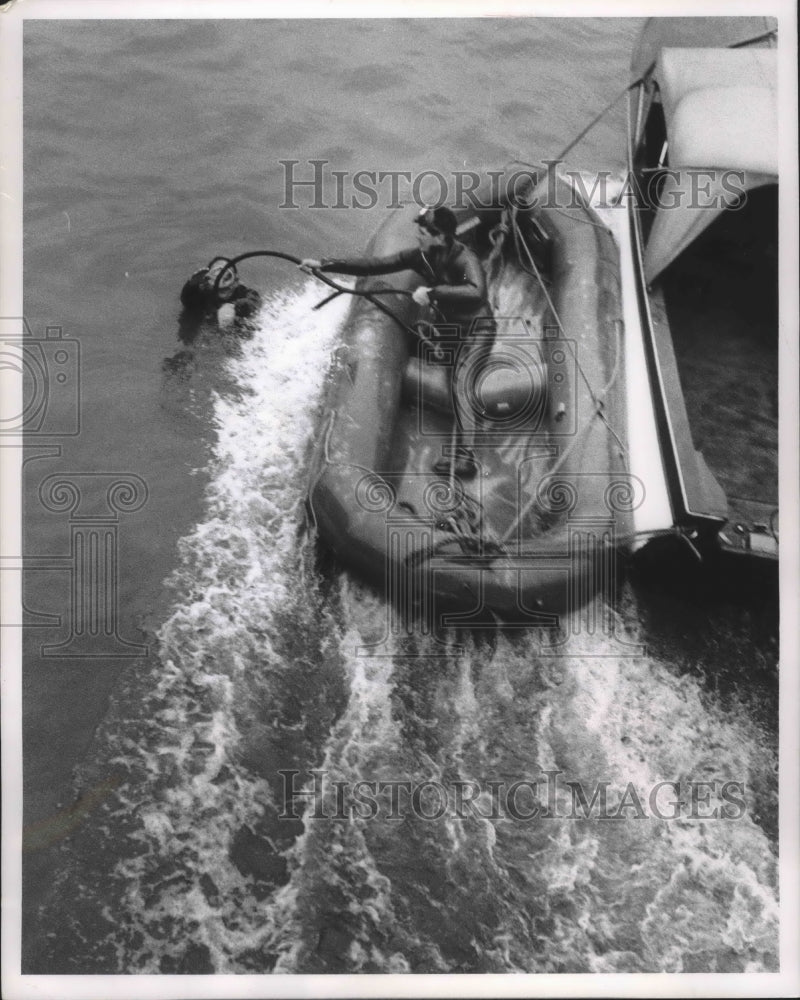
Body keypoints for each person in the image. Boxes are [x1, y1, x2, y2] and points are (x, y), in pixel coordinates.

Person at [301, 206, 494, 478]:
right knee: (419, 342)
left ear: (440, 237)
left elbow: (477, 292)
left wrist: (433, 292)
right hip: (449, 332)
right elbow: (376, 265)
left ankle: (466, 460)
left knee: (461, 382)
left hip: (477, 331)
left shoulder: (465, 260)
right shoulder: (421, 258)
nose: (418, 238)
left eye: (423, 234)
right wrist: (326, 264)